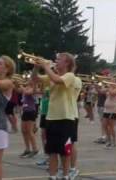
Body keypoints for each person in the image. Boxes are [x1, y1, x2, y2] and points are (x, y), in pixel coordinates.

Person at [32, 52, 78, 180]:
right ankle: (52, 176)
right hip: (51, 118)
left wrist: (46, 66)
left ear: (67, 63)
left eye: (59, 59)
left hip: (66, 119)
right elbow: (34, 79)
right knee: (52, 150)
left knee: (65, 151)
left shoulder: (70, 76)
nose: (55, 61)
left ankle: (66, 175)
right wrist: (36, 67)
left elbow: (57, 80)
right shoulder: (51, 76)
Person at [18, 81, 39, 158]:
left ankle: (35, 148)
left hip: (31, 111)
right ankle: (27, 149)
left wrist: (21, 86)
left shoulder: (33, 89)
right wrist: (17, 83)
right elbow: (18, 90)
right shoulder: (26, 88)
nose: (28, 80)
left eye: (30, 79)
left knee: (30, 131)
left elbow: (27, 93)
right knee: (23, 130)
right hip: (25, 111)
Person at [103, 79, 116, 149]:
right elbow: (102, 91)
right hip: (106, 110)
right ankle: (109, 141)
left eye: (113, 81)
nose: (111, 82)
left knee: (111, 127)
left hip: (113, 110)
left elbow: (112, 93)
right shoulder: (110, 88)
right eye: (111, 81)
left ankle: (114, 142)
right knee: (104, 125)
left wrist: (109, 86)